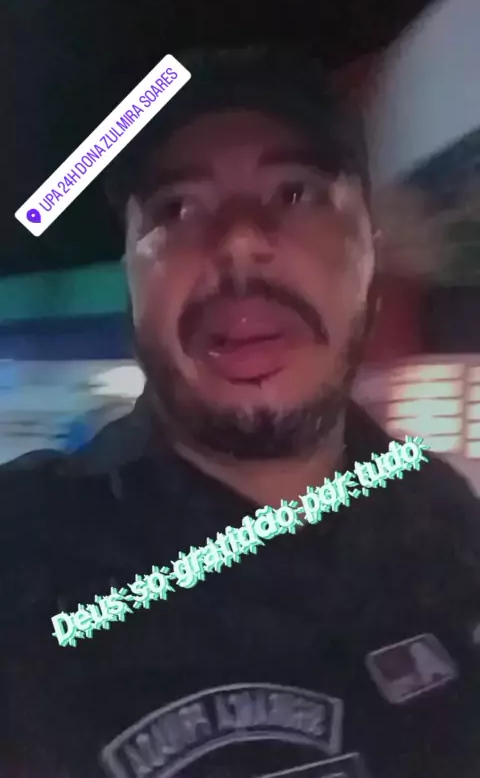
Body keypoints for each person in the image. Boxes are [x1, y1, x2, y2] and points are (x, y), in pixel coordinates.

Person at [1, 46, 480, 778]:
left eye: (296, 193)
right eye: (177, 208)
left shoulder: (441, 519)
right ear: (131, 274)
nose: (239, 239)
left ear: (369, 248)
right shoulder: (25, 555)